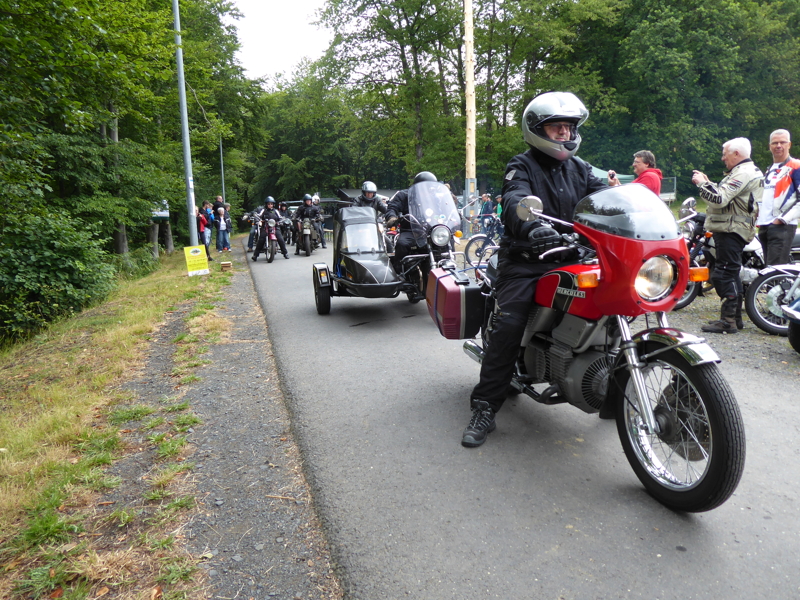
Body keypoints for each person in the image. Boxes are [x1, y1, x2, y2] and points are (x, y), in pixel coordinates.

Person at [462, 91, 607, 448]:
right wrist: (531, 226)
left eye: (569, 128)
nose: (564, 134)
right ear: (538, 130)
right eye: (557, 128)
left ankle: (613, 387)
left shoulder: (582, 169)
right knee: (509, 324)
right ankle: (484, 406)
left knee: (613, 304)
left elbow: (605, 198)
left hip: (572, 257)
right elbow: (513, 199)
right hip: (527, 260)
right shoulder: (522, 165)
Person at [692, 137, 763, 334]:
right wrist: (708, 182)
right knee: (731, 273)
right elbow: (728, 195)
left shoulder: (743, 173)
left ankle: (728, 321)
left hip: (732, 229)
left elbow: (719, 199)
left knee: (722, 273)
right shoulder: (745, 172)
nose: (723, 158)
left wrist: (701, 185)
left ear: (736, 154)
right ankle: (734, 318)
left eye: (725, 154)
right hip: (734, 228)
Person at [757, 129, 800, 266]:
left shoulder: (796, 166)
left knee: (774, 270)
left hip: (782, 226)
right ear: (770, 146)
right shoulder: (769, 169)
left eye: (783, 142)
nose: (779, 145)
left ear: (789, 145)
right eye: (775, 143)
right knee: (768, 268)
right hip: (764, 225)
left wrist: (782, 219)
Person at [385, 171, 438, 276]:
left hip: (430, 230)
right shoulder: (404, 195)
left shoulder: (435, 197)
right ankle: (399, 272)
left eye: (430, 187)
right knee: (402, 244)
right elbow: (392, 207)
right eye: (425, 186)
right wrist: (392, 217)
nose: (427, 189)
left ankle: (450, 265)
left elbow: (445, 208)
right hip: (410, 230)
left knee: (446, 241)